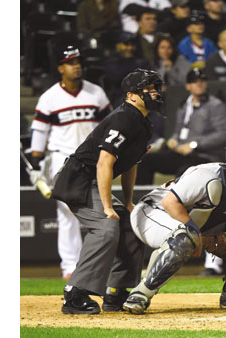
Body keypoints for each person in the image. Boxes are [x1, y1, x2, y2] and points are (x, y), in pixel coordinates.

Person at [53, 68, 164, 314]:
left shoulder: (143, 123)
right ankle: (75, 293)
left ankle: (117, 292)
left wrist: (127, 202)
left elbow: (130, 164)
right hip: (77, 178)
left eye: (156, 87)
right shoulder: (124, 117)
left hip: (91, 179)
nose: (155, 92)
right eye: (150, 88)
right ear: (132, 95)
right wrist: (106, 206)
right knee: (105, 227)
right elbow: (105, 162)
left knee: (130, 227)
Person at [122, 135, 226, 314]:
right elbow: (170, 203)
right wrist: (195, 233)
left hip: (184, 223)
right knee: (184, 237)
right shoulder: (208, 175)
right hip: (151, 213)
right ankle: (140, 294)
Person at [30, 45, 112, 280]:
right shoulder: (49, 97)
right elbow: (40, 131)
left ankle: (94, 264)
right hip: (61, 157)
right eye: (70, 62)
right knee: (66, 210)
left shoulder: (96, 92)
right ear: (60, 68)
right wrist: (36, 162)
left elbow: (110, 124)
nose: (76, 66)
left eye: (78, 62)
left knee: (101, 208)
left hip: (93, 158)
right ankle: (70, 265)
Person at [135, 68, 226, 184]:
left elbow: (222, 134)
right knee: (146, 160)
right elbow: (179, 130)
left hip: (204, 155)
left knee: (184, 171)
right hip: (181, 153)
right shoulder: (184, 105)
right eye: (195, 81)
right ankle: (141, 199)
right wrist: (174, 139)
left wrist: (194, 144)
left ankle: (174, 201)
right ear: (188, 86)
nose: (199, 83)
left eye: (202, 80)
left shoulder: (216, 105)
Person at [104, 32, 151, 107]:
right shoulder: (110, 63)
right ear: (118, 45)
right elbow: (116, 77)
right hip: (120, 99)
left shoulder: (142, 62)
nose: (130, 48)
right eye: (126, 45)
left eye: (132, 45)